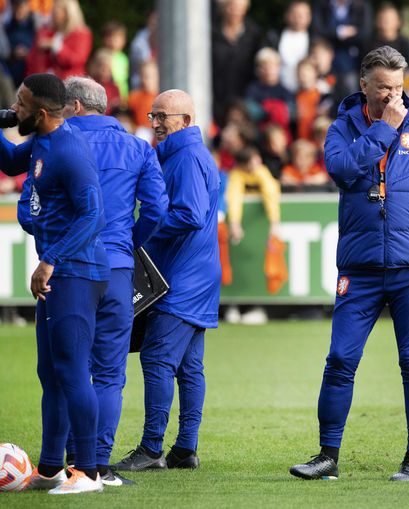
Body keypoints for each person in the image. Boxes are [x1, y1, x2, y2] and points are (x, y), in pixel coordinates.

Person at [289, 45, 409, 482]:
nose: (394, 98)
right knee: (340, 358)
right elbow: (342, 170)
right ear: (364, 85)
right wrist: (384, 133)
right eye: (384, 88)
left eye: (398, 88)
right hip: (361, 265)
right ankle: (327, 456)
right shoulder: (342, 128)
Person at [56, 76, 168, 486]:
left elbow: (29, 209)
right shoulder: (137, 147)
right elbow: (157, 208)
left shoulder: (56, 143)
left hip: (69, 268)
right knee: (109, 372)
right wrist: (128, 244)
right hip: (118, 269)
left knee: (69, 368)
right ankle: (98, 464)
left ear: (75, 106)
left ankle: (69, 458)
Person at [0, 73, 109, 494]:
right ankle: (50, 469)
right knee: (51, 372)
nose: (15, 107)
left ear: (42, 114)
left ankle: (89, 472)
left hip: (77, 272)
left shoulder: (69, 149)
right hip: (60, 272)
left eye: (22, 103)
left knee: (73, 372)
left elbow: (93, 215)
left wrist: (50, 260)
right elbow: (11, 161)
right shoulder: (43, 142)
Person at [112, 89, 221, 472]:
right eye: (153, 115)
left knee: (158, 358)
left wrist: (140, 228)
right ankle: (185, 448)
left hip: (180, 277)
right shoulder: (188, 153)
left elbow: (189, 214)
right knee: (190, 368)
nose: (155, 123)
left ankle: (152, 448)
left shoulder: (187, 156)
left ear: (186, 121)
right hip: (197, 275)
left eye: (163, 117)